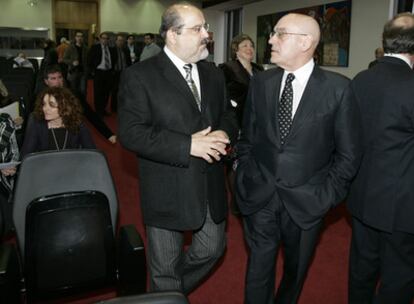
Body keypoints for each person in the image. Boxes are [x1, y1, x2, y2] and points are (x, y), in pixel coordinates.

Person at [235, 13, 361, 303]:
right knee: (258, 269)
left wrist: (326, 196)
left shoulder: (339, 89)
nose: (270, 40)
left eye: (280, 33)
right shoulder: (261, 82)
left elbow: (349, 154)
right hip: (260, 195)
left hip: (307, 202)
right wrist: (244, 174)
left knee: (295, 271)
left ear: (305, 42)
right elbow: (248, 138)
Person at [118, 3, 238, 294]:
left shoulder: (213, 73)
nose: (206, 35)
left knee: (212, 249)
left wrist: (224, 131)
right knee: (165, 268)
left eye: (205, 28)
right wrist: (188, 145)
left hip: (209, 184)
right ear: (172, 34)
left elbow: (228, 114)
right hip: (166, 189)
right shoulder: (140, 76)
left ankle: (167, 295)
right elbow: (131, 133)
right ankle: (166, 293)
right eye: (198, 29)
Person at [347, 13, 414, 304]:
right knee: (399, 277)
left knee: (362, 268)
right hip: (403, 203)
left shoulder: (360, 79)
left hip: (362, 195)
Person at [219, 34, 263, 215]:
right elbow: (221, 96)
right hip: (236, 121)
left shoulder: (259, 69)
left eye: (251, 45)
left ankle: (251, 194)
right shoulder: (226, 69)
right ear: (236, 49)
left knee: (252, 160)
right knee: (235, 161)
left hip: (257, 123)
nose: (249, 48)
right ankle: (236, 200)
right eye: (245, 45)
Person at [42, 65, 116, 144]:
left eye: (60, 77)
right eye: (53, 78)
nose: (58, 81)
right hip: (48, 135)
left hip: (72, 135)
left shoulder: (74, 95)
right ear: (46, 81)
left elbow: (91, 115)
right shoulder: (41, 98)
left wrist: (109, 134)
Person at [21, 86, 95, 157]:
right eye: (44, 104)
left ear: (65, 107)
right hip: (44, 167)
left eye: (52, 105)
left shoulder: (77, 123)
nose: (45, 109)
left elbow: (92, 152)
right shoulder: (36, 123)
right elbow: (26, 155)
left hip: (72, 166)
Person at [88, 32, 116, 118]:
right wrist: (92, 70)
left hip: (108, 73)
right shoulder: (95, 48)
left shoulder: (111, 49)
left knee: (106, 92)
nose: (105, 40)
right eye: (103, 38)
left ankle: (103, 109)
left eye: (106, 38)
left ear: (108, 40)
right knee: (98, 92)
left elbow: (114, 59)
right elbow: (89, 59)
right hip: (99, 72)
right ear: (100, 39)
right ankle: (98, 111)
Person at [63, 31, 88, 99]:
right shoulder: (70, 48)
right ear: (75, 38)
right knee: (74, 91)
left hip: (83, 72)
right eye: (78, 36)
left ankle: (83, 106)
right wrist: (72, 62)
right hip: (73, 72)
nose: (79, 38)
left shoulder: (86, 48)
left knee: (83, 90)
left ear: (83, 38)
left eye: (81, 36)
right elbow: (64, 59)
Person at [111, 34, 131, 113]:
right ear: (116, 41)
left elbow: (128, 62)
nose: (120, 42)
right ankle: (114, 108)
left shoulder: (126, 50)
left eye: (122, 40)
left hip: (124, 73)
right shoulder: (112, 50)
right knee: (115, 91)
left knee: (123, 91)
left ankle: (122, 106)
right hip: (115, 73)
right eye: (119, 40)